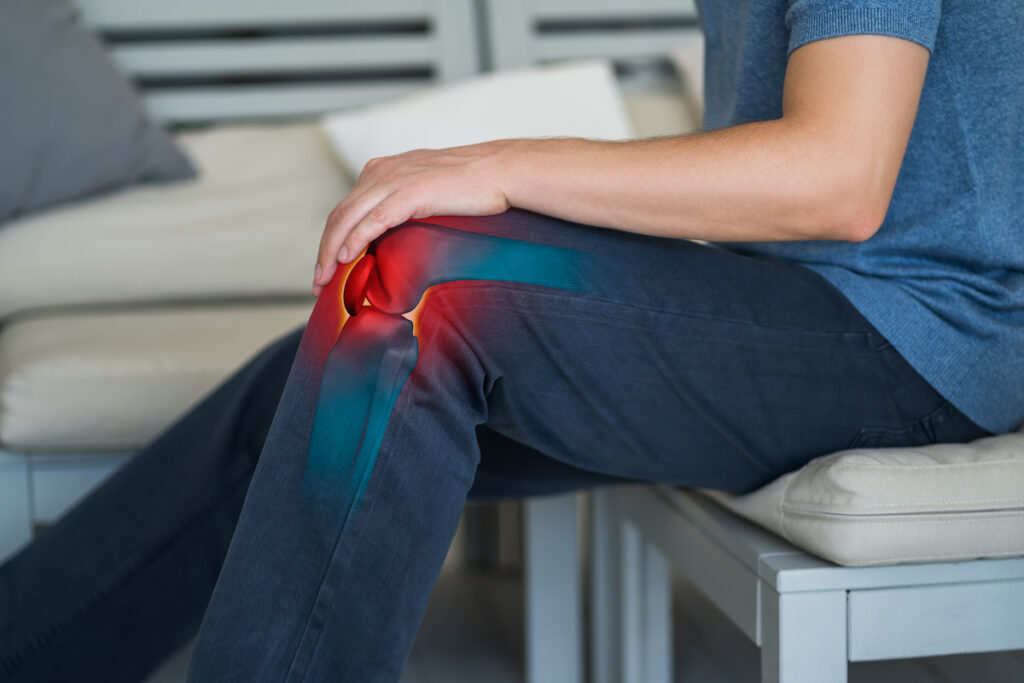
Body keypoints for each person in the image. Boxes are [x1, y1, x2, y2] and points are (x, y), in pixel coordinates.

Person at [2, 1, 1021, 681]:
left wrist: (492, 166)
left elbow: (833, 180)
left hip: (922, 336)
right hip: (799, 303)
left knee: (419, 293)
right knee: (329, 357)